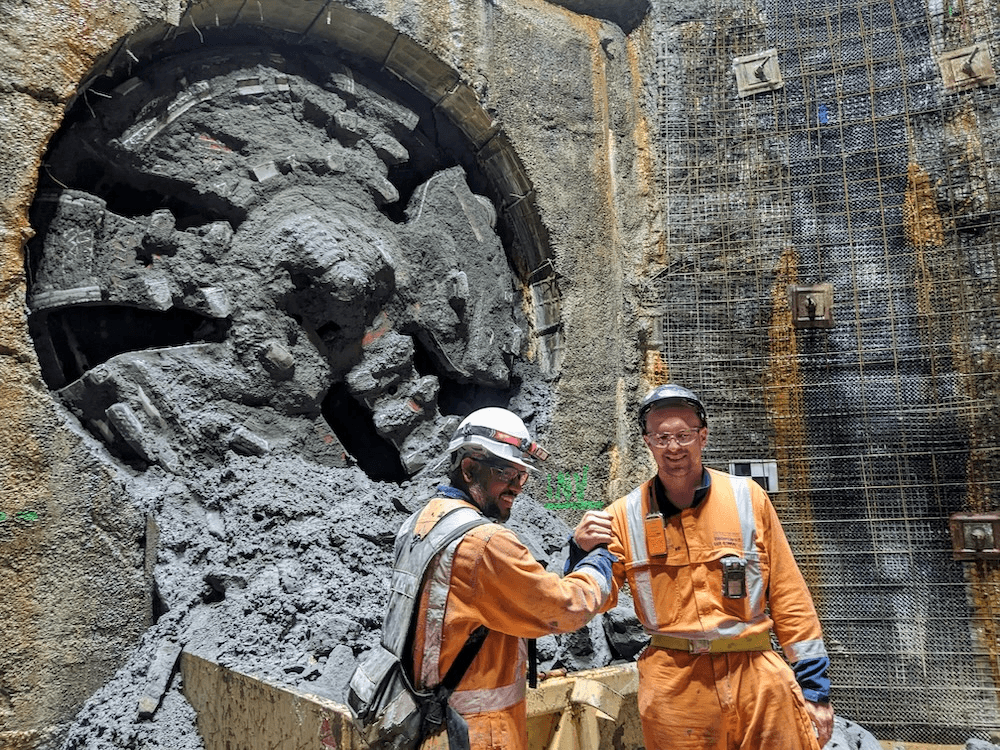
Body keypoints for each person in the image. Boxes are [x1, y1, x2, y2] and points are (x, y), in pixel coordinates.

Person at [571, 384, 834, 750]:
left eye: (684, 435)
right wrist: (578, 552)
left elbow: (790, 595)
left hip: (756, 675)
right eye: (662, 437)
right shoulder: (623, 516)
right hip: (675, 689)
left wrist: (815, 691)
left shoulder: (747, 498)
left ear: (703, 436)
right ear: (648, 443)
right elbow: (593, 597)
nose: (674, 447)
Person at [400, 407, 615, 750]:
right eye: (506, 473)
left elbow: (510, 599)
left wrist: (574, 549)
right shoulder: (485, 543)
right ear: (469, 469)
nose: (516, 487)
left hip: (429, 718)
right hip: (477, 732)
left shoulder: (422, 523)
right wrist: (599, 561)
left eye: (522, 476)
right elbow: (563, 608)